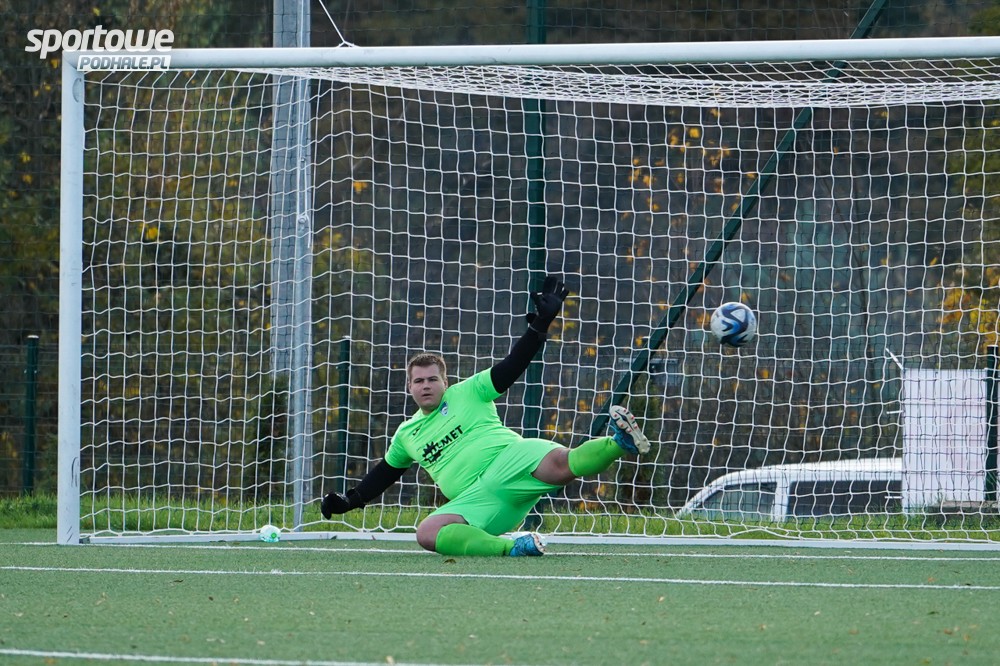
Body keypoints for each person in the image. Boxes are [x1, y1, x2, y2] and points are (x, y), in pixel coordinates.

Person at [321, 275, 650, 556]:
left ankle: (619, 442)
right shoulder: (407, 434)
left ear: (445, 382)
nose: (426, 385)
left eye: (433, 379)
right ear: (409, 387)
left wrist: (539, 326)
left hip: (510, 460)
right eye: (418, 381)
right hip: (478, 501)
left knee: (563, 463)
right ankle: (513, 547)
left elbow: (512, 366)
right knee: (427, 533)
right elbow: (384, 474)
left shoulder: (469, 391)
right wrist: (350, 500)